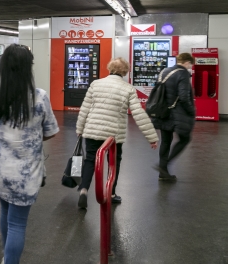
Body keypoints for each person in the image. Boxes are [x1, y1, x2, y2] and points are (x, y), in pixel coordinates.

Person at [0, 45, 59, 264]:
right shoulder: (39, 97)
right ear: (28, 68)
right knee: (17, 224)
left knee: (5, 213)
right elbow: (51, 131)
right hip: (24, 174)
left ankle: (7, 257)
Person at [75, 57, 158, 209]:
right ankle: (111, 193)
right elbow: (138, 113)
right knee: (114, 162)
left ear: (109, 68)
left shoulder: (96, 84)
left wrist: (79, 129)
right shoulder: (128, 89)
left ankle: (84, 189)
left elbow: (85, 108)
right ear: (125, 72)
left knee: (90, 160)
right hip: (113, 135)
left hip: (92, 129)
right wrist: (152, 137)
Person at [151, 52, 196, 181]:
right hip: (175, 113)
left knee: (165, 141)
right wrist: (191, 111)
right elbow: (183, 97)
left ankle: (163, 171)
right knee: (184, 139)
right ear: (187, 62)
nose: (190, 67)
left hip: (162, 112)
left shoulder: (165, 71)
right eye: (190, 64)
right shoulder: (182, 74)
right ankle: (165, 165)